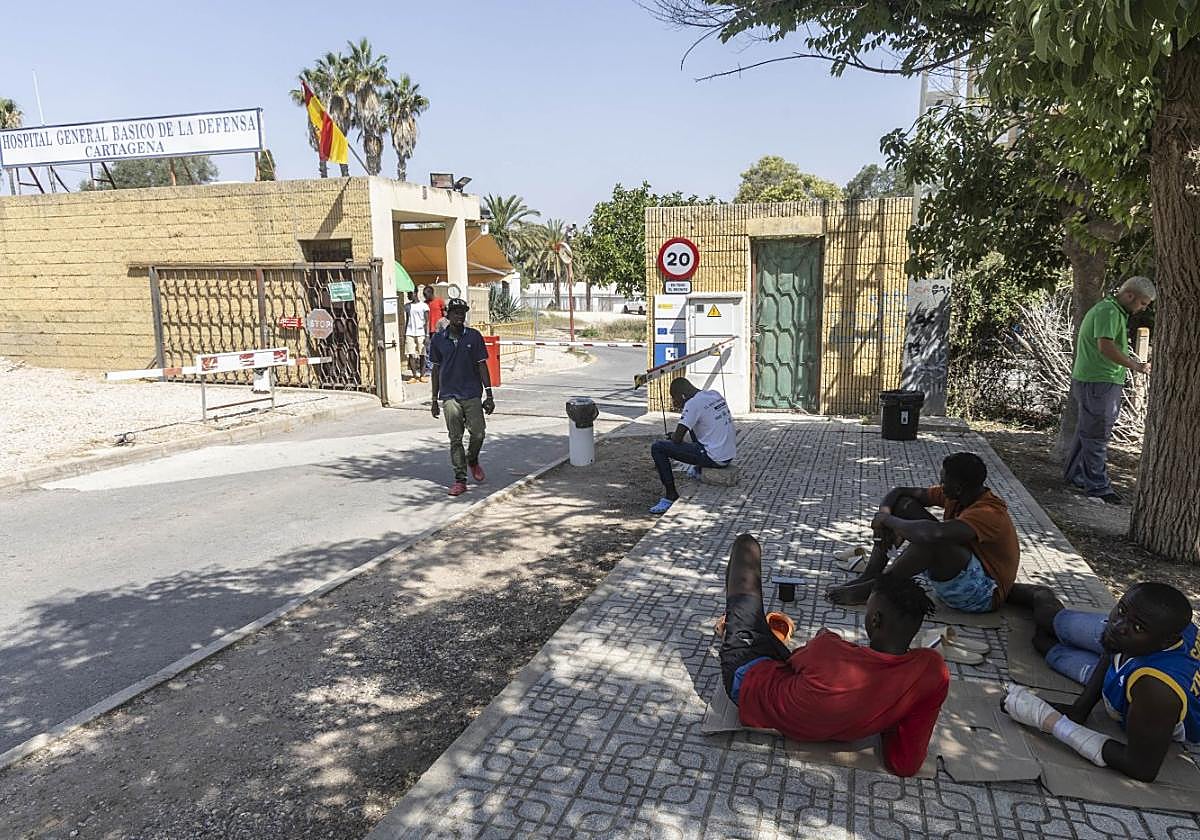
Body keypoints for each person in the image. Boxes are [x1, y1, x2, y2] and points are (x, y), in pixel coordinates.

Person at [721, 533, 949, 777]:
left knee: (746, 545)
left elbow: (795, 661)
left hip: (747, 679)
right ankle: (741, 625)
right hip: (790, 682)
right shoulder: (932, 671)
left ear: (875, 619)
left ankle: (734, 625)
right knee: (764, 631)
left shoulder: (830, 652)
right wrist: (889, 711)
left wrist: (822, 640)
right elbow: (905, 764)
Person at [1003, 581, 1198, 782]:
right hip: (1142, 650)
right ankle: (1032, 592)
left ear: (1166, 641)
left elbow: (1141, 768)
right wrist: (1080, 709)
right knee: (1050, 620)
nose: (1117, 626)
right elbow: (1114, 643)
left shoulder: (1156, 689)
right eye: (1121, 609)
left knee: (1047, 647)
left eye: (1137, 626)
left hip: (1145, 688)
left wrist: (1055, 724)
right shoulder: (1146, 624)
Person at [825, 452, 1019, 613]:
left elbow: (932, 534)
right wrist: (885, 514)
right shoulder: (961, 495)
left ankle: (876, 589)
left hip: (982, 595)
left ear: (959, 487)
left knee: (930, 540)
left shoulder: (989, 513)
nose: (940, 486)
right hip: (963, 573)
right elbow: (900, 492)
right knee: (903, 506)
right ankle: (870, 575)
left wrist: (887, 520)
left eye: (944, 482)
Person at [1064, 276, 1155, 505]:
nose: (1143, 309)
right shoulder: (1110, 312)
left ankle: (1074, 475)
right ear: (1129, 295)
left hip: (1093, 379)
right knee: (1096, 434)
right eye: (1143, 303)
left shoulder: (1110, 310)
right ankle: (1099, 487)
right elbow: (1105, 346)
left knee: (1086, 430)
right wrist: (1136, 366)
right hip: (1099, 380)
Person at [429, 298, 494, 496]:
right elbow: (435, 370)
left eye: (462, 313)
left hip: (472, 393)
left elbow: (482, 365)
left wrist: (489, 393)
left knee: (479, 433)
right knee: (455, 438)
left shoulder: (474, 337)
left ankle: (472, 459)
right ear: (447, 315)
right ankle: (460, 479)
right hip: (449, 394)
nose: (459, 316)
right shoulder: (438, 339)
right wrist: (434, 399)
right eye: (455, 312)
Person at [648, 378, 736, 514]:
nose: (675, 402)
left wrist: (673, 436)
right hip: (728, 454)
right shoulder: (714, 394)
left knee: (658, 447)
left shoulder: (692, 404)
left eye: (674, 398)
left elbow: (677, 439)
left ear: (682, 395)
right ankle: (698, 468)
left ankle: (670, 495)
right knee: (694, 427)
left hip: (714, 457)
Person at [404, 291, 429, 383]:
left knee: (422, 354)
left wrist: (426, 335)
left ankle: (422, 375)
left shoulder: (424, 306)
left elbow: (427, 321)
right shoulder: (407, 306)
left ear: (415, 293)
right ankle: (414, 376)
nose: (408, 296)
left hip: (421, 332)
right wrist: (404, 332)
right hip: (409, 332)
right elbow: (407, 320)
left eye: (410, 294)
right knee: (411, 354)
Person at [424, 285, 446, 377]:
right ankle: (430, 368)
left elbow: (445, 314)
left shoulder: (439, 301)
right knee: (429, 349)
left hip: (438, 330)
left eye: (426, 294)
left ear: (431, 293)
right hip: (429, 330)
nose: (425, 297)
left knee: (440, 349)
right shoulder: (425, 304)